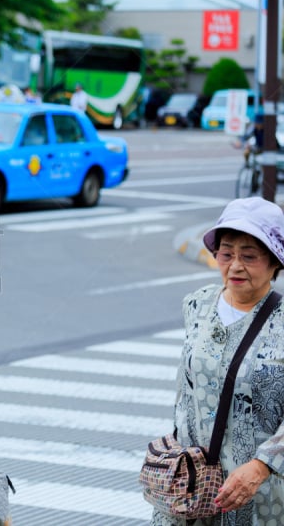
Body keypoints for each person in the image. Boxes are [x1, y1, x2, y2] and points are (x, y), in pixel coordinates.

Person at [152, 196, 284, 525]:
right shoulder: (197, 305)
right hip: (192, 489)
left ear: (275, 262)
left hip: (260, 495)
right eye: (226, 253)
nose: (235, 266)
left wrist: (262, 465)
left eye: (250, 256)